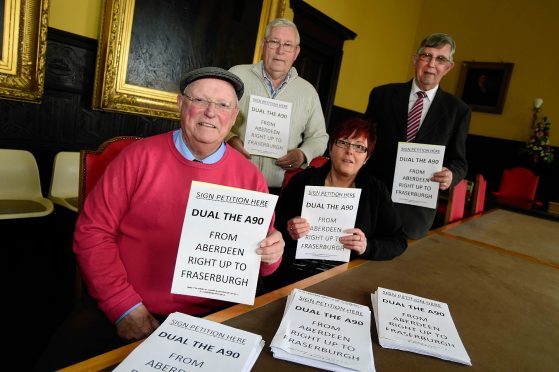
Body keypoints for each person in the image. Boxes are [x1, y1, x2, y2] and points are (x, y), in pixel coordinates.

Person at [36, 67, 284, 370]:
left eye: (223, 105)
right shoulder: (137, 157)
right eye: (200, 100)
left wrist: (272, 253)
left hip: (213, 317)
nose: (210, 112)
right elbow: (92, 232)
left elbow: (264, 264)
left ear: (234, 117)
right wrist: (123, 306)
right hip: (127, 305)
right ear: (180, 104)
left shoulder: (250, 177)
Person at [267, 118, 407, 290]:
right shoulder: (302, 181)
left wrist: (367, 246)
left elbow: (398, 241)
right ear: (331, 148)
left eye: (359, 147)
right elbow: (273, 226)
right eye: (343, 143)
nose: (349, 151)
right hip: (293, 276)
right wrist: (288, 230)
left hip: (346, 280)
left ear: (366, 157)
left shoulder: (375, 191)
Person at [365, 33, 471, 240]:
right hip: (372, 201)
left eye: (440, 59)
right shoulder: (382, 95)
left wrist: (451, 175)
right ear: (415, 60)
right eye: (426, 56)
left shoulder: (458, 111)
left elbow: (459, 161)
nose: (432, 64)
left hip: (415, 213)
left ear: (448, 67)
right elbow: (364, 142)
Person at [227, 18, 329, 194]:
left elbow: (320, 137)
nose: (281, 50)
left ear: (296, 52)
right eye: (274, 42)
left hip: (279, 190)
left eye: (288, 45)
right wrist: (229, 139)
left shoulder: (308, 92)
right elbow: (213, 115)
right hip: (232, 180)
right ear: (263, 45)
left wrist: (303, 154)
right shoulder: (236, 76)